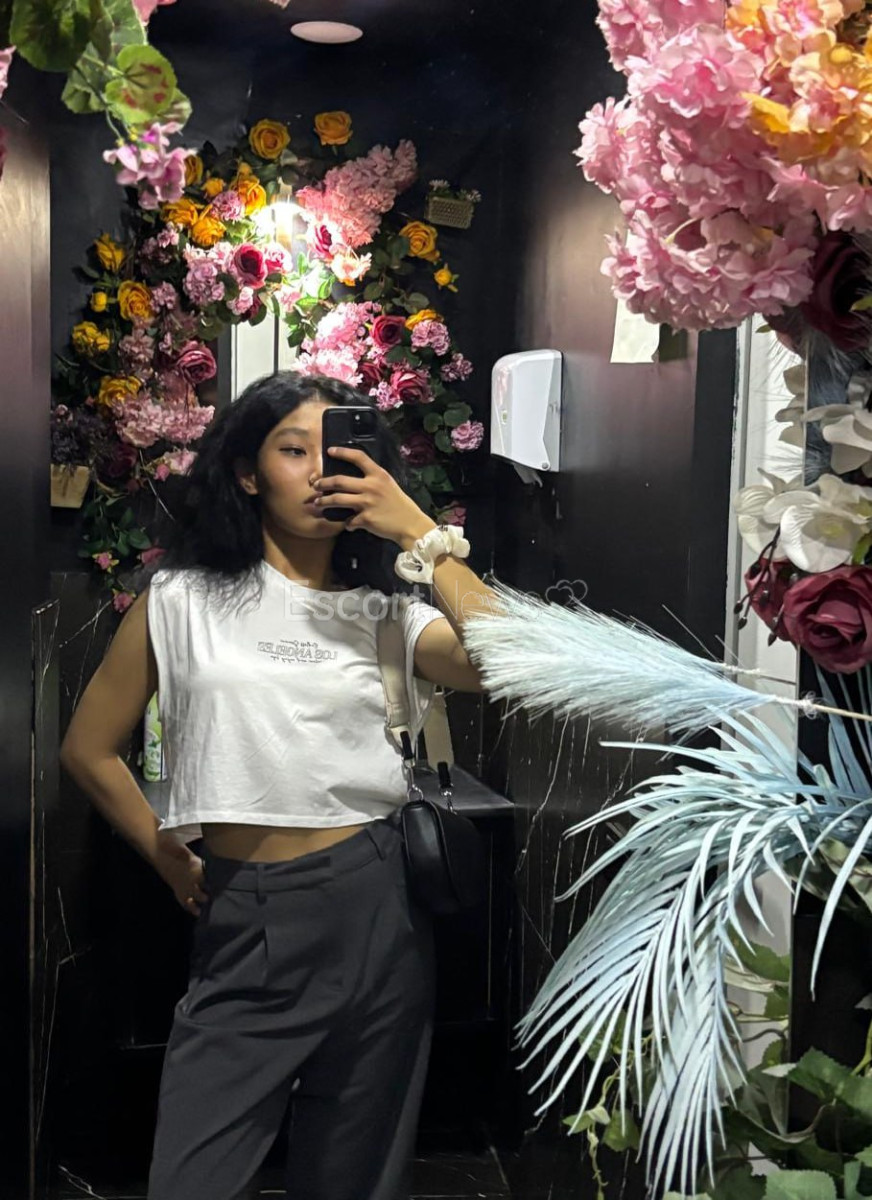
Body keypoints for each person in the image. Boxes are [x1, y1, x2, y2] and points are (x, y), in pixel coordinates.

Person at [60, 372, 497, 1200]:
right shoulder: (180, 601)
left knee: (354, 1175)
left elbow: (507, 664)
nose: (318, 470)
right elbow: (89, 749)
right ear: (247, 472)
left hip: (377, 901)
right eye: (293, 450)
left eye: (335, 453)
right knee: (193, 1176)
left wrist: (419, 532)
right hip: (243, 907)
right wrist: (165, 854)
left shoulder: (386, 613)